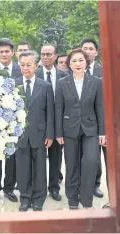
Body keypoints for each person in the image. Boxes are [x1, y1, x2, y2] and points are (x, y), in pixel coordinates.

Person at [55, 48, 105, 209]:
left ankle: (86, 199)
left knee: (91, 162)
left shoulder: (96, 82)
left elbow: (100, 108)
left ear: (86, 62)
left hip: (90, 129)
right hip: (69, 129)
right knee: (72, 165)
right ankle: (72, 200)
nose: (77, 63)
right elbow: (58, 109)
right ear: (69, 64)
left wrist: (102, 132)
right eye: (74, 61)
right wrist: (58, 132)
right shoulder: (62, 83)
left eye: (81, 60)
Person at [15, 50, 54, 212]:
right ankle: (25, 198)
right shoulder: (14, 84)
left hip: (40, 133)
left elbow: (50, 113)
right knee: (23, 168)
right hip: (21, 134)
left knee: (39, 169)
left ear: (36, 66)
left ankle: (38, 199)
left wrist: (50, 134)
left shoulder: (45, 86)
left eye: (29, 65)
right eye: (22, 65)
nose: (25, 68)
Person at [36, 44, 68, 201]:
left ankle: (54, 187)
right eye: (42, 54)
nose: (45, 57)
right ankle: (39, 187)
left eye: (48, 54)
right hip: (39, 124)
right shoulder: (34, 74)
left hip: (59, 124)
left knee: (56, 157)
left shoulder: (64, 75)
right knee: (38, 158)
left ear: (55, 56)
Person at [0, 39, 20, 203]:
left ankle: (9, 188)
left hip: (15, 121)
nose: (4, 54)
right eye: (1, 51)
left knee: (11, 157)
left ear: (12, 53)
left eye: (7, 51)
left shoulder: (19, 69)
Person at [81, 38, 106, 199]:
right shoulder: (75, 71)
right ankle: (86, 185)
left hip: (104, 119)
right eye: (85, 48)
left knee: (100, 157)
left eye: (91, 48)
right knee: (89, 156)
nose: (88, 51)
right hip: (85, 121)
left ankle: (96, 184)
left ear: (96, 52)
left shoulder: (104, 71)